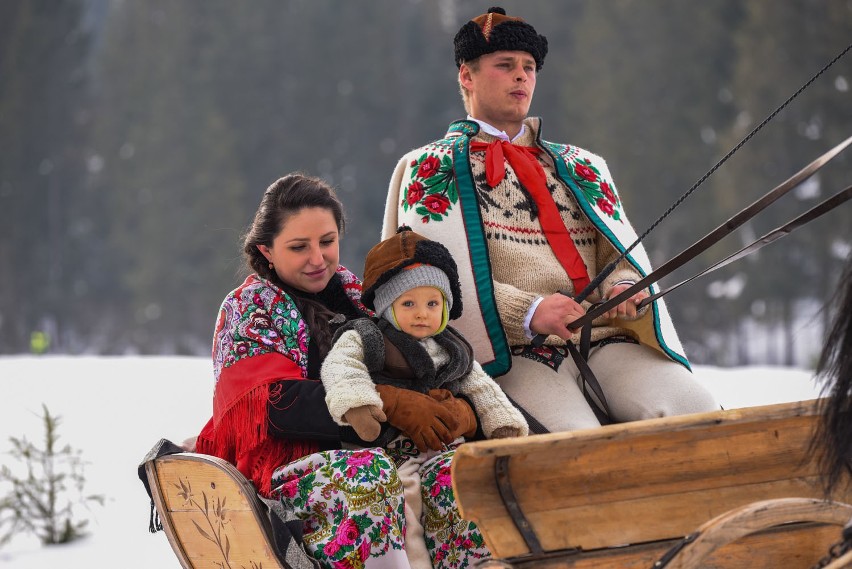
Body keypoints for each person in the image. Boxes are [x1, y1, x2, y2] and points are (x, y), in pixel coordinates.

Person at [383, 6, 718, 433]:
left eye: (528, 67)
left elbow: (616, 255)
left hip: (604, 340)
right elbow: (433, 285)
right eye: (505, 66)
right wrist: (529, 310)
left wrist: (622, 284)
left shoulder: (581, 164)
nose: (521, 76)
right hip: (512, 353)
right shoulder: (431, 167)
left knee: (701, 417)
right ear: (466, 76)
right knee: (577, 452)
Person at [195, 174, 490, 569]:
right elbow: (271, 405)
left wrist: (456, 409)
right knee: (367, 474)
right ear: (266, 250)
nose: (318, 259)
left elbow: (430, 355)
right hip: (292, 464)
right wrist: (388, 402)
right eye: (299, 247)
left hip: (386, 449)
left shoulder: (363, 294)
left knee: (460, 470)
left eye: (327, 242)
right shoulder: (251, 307)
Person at [320, 226, 528, 568]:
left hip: (445, 447)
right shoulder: (369, 337)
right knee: (405, 508)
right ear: (388, 306)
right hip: (391, 450)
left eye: (432, 303)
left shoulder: (454, 348)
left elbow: (482, 388)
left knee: (470, 488)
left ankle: (481, 559)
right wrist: (358, 403)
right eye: (409, 303)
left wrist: (500, 424)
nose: (421, 313)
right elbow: (340, 367)